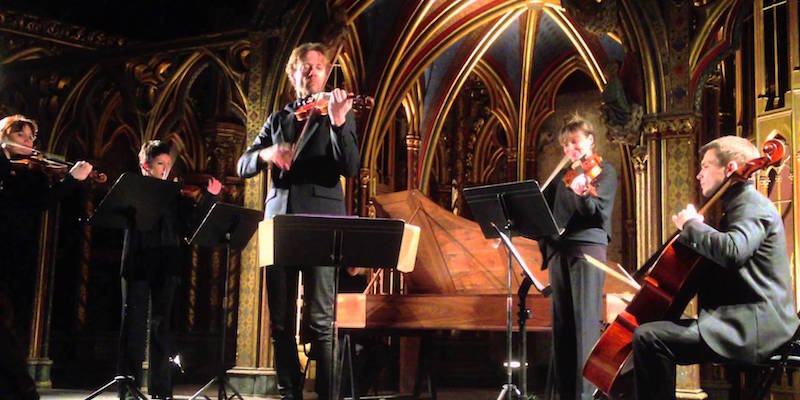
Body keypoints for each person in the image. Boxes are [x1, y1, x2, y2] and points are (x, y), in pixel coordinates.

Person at [632, 136, 800, 400]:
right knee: (652, 333)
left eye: (706, 166)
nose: (699, 175)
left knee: (649, 338)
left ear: (730, 168)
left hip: (754, 326)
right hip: (740, 320)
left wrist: (692, 225)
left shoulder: (752, 205)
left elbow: (732, 251)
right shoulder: (737, 207)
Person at [237, 41, 360, 400]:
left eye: (320, 66)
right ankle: (289, 394)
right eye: (305, 66)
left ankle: (326, 396)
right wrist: (268, 153)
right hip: (280, 224)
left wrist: (337, 124)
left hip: (321, 223)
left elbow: (350, 166)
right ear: (293, 74)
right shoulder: (278, 120)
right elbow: (242, 165)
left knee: (322, 322)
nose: (313, 71)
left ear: (326, 72)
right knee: (279, 324)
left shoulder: (338, 112)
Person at [0, 114, 93, 400]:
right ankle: (23, 389)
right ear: (5, 137)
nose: (29, 143)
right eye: (21, 137)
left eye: (31, 138)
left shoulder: (29, 173)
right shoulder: (6, 170)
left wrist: (68, 180)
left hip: (13, 253)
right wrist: (69, 181)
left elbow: (40, 203)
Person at [118, 140, 221, 399]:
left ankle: (161, 389)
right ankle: (128, 388)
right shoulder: (135, 189)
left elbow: (192, 226)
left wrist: (209, 198)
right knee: (134, 325)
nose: (165, 170)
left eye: (168, 165)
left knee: (162, 327)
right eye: (160, 165)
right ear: (145, 166)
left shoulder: (176, 196)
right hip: (139, 261)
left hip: (168, 262)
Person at [540, 116, 617, 400]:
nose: (570, 148)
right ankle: (565, 394)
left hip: (586, 250)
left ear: (590, 141)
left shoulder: (604, 172)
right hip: (561, 251)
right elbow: (546, 213)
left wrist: (583, 194)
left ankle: (586, 395)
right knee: (562, 326)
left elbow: (593, 212)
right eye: (565, 144)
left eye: (575, 142)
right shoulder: (564, 178)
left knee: (585, 324)